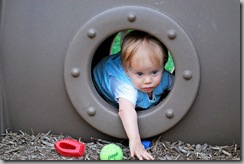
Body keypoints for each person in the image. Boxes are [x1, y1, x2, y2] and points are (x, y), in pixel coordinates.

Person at [93, 30, 174, 160]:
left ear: (163, 65)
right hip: (103, 79)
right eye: (140, 74)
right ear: (126, 70)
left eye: (154, 72)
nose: (148, 80)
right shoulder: (126, 87)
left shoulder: (164, 77)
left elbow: (180, 86)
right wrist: (135, 140)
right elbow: (126, 109)